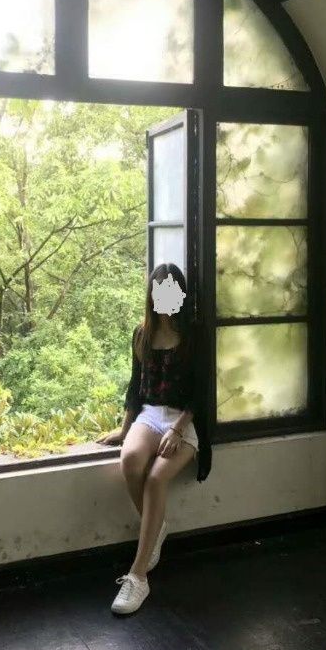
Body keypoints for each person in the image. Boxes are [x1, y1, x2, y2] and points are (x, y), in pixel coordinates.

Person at [98, 262, 211, 614]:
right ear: (151, 296)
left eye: (172, 292)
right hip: (149, 414)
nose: (165, 299)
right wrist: (124, 428)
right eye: (159, 292)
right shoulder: (141, 334)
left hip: (183, 418)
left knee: (156, 478)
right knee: (130, 462)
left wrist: (178, 428)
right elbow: (136, 388)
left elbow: (202, 392)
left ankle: (138, 577)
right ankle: (156, 529)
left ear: (181, 295)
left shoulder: (194, 336)